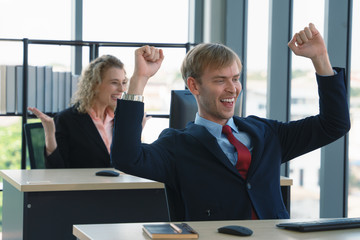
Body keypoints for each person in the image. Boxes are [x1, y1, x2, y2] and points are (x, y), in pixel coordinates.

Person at [110, 23, 350, 221]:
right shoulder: (177, 146)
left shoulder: (267, 133)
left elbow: (334, 124)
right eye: (220, 80)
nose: (232, 89)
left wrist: (320, 58)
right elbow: (126, 158)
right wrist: (139, 78)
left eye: (235, 78)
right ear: (194, 85)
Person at [29, 54, 149, 168]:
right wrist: (50, 134)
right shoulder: (67, 120)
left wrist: (135, 133)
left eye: (123, 83)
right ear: (95, 84)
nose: (122, 89)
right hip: (82, 188)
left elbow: (129, 163)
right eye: (114, 83)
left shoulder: (119, 120)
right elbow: (57, 170)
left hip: (116, 187)